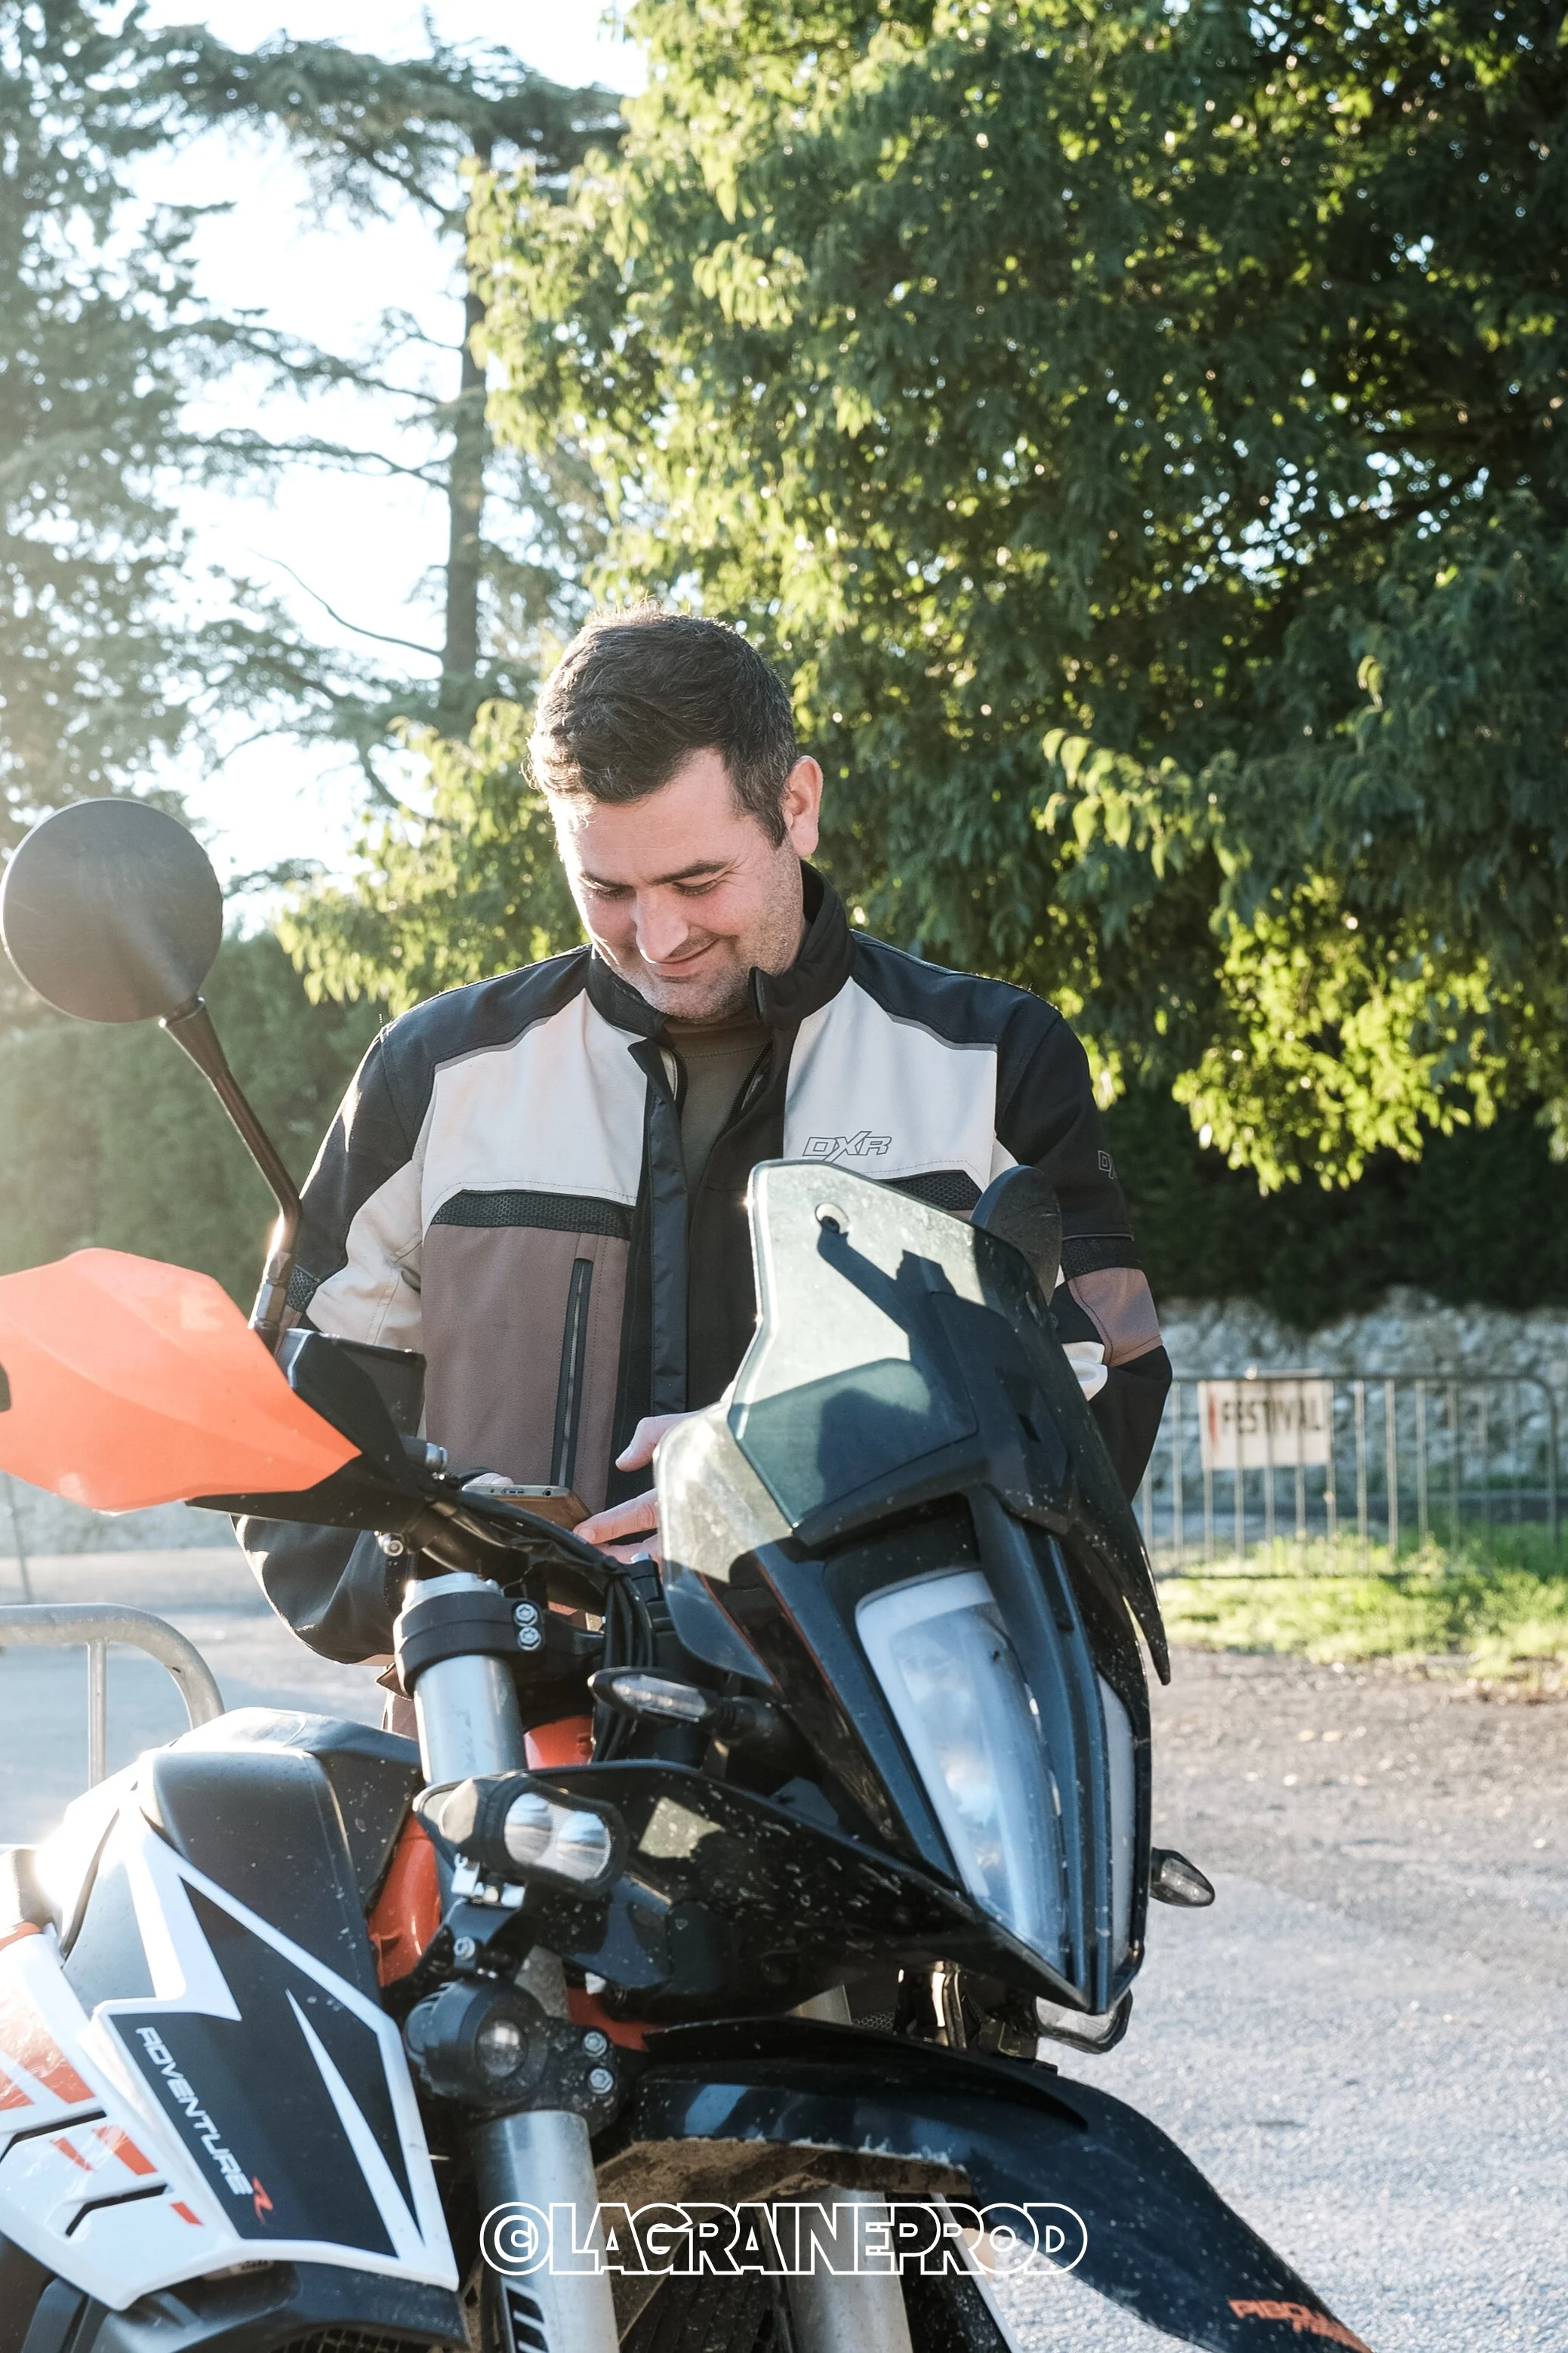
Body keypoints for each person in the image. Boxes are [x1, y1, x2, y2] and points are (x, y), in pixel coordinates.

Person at [239, 607, 1171, 1664]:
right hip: (512, 1764)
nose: (661, 937)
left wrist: (793, 1464)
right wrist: (456, 1575)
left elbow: (1100, 1395)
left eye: (697, 881)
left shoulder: (994, 1060)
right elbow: (291, 1435)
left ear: (798, 806)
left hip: (905, 1756)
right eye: (608, 889)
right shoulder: (431, 1072)